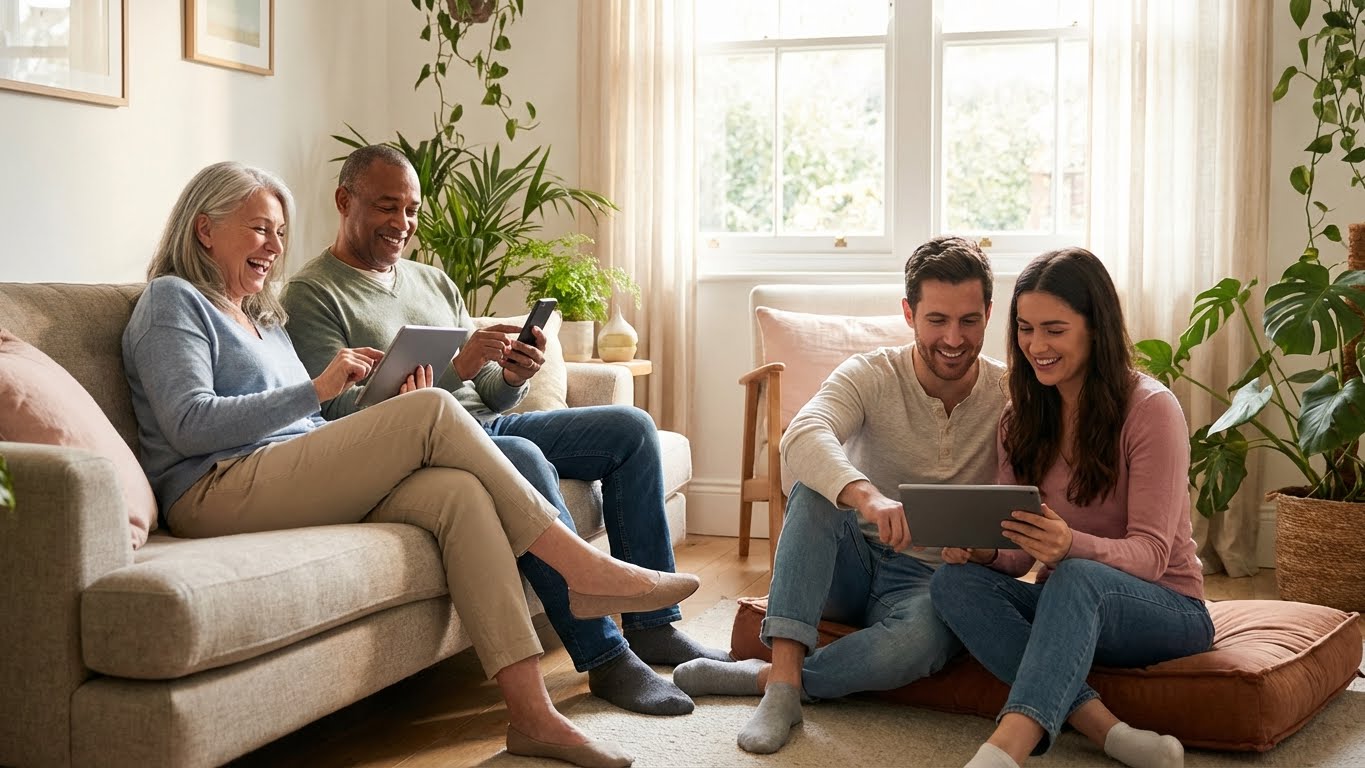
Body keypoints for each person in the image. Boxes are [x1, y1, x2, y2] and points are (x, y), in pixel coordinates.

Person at [122, 161, 702, 768]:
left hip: (284, 467)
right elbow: (188, 423)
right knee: (429, 408)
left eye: (280, 232)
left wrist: (350, 427)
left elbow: (310, 429)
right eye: (259, 229)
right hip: (216, 488)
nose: (275, 247)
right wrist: (319, 390)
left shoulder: (261, 315)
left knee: (459, 496)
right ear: (205, 230)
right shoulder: (174, 300)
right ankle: (583, 567)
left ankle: (533, 717)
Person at [279, 145, 727, 717]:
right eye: (388, 207)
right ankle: (606, 659)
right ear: (345, 201)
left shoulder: (433, 281)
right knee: (522, 457)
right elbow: (335, 414)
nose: (403, 224)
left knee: (631, 430)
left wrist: (511, 375)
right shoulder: (312, 293)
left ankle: (653, 626)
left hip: (487, 421)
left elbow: (485, 391)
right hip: (426, 445)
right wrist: (456, 368)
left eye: (412, 210)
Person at [672, 236, 1009, 753]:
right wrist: (866, 496)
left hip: (929, 581)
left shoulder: (1010, 395)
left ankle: (772, 682)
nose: (953, 338)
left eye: (968, 320)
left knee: (926, 644)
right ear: (909, 313)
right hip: (846, 563)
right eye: (937, 319)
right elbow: (802, 434)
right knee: (814, 489)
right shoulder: (871, 372)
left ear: (988, 313)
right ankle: (784, 685)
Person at [929, 247, 1212, 768]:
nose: (1036, 345)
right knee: (953, 584)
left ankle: (1005, 750)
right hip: (1071, 607)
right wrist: (983, 552)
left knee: (1074, 573)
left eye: (1054, 329)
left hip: (1167, 609)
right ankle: (1108, 732)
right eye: (1025, 328)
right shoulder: (1020, 418)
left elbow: (1151, 556)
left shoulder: (1151, 410)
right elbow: (1018, 558)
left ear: (1095, 328)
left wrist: (1069, 545)